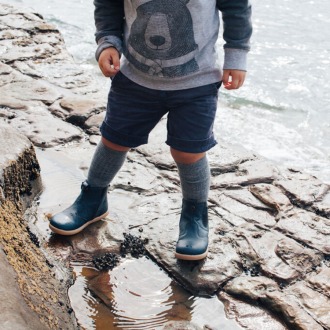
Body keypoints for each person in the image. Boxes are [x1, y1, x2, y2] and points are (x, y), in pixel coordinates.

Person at [50, 0, 252, 261]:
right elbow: (107, 4)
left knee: (188, 151)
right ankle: (93, 199)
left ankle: (194, 215)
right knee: (114, 138)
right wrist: (107, 42)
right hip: (135, 79)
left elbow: (236, 8)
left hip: (197, 83)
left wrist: (236, 56)